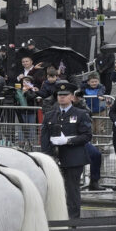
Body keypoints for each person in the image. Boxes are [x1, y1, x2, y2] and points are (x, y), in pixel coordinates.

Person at [40, 80, 93, 220]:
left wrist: (68, 140)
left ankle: (72, 219)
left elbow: (87, 136)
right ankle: (56, 217)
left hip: (73, 157)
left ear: (72, 97)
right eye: (59, 94)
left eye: (65, 94)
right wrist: (46, 157)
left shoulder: (80, 114)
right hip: (54, 158)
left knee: (71, 190)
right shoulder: (50, 115)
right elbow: (44, 138)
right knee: (53, 190)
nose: (61, 97)